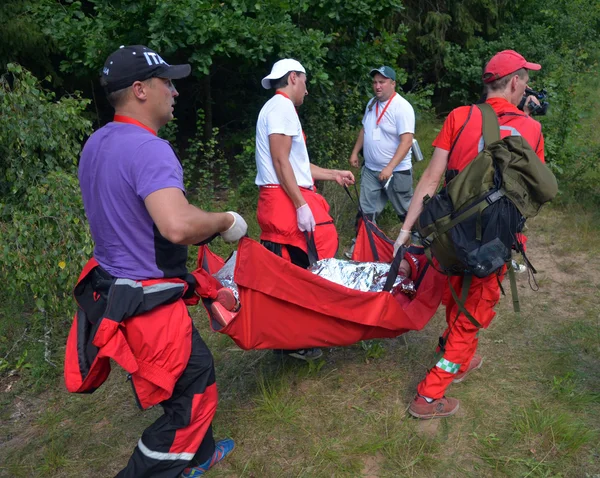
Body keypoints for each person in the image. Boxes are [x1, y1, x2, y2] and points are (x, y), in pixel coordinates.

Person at [70, 45, 247, 477]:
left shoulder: (96, 143)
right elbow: (176, 226)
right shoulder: (149, 150)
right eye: (166, 82)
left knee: (183, 382)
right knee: (194, 394)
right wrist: (226, 220)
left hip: (113, 297)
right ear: (139, 90)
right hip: (148, 305)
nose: (175, 91)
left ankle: (201, 457)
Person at [393, 50, 545, 419]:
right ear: (514, 83)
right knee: (473, 316)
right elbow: (532, 194)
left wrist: (405, 231)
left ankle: (456, 358)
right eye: (525, 79)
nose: (527, 85)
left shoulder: (459, 117)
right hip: (492, 242)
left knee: (457, 295)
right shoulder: (532, 129)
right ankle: (430, 395)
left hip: (449, 234)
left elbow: (430, 178)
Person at [255, 58, 355, 361]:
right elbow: (281, 161)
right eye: (306, 81)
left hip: (280, 198)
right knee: (307, 265)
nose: (307, 90)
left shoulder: (275, 109)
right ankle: (298, 336)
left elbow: (296, 165)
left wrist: (333, 174)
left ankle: (296, 335)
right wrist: (300, 205)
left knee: (296, 269)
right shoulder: (283, 107)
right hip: (284, 201)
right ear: (294, 78)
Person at [349, 65, 416, 227]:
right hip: (371, 170)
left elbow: (407, 141)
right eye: (375, 82)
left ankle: (418, 245)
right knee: (365, 212)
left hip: (396, 172)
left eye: (382, 82)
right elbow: (365, 129)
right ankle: (360, 246)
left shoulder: (402, 107)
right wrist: (355, 152)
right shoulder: (372, 103)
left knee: (406, 212)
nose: (377, 86)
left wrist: (390, 168)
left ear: (393, 84)